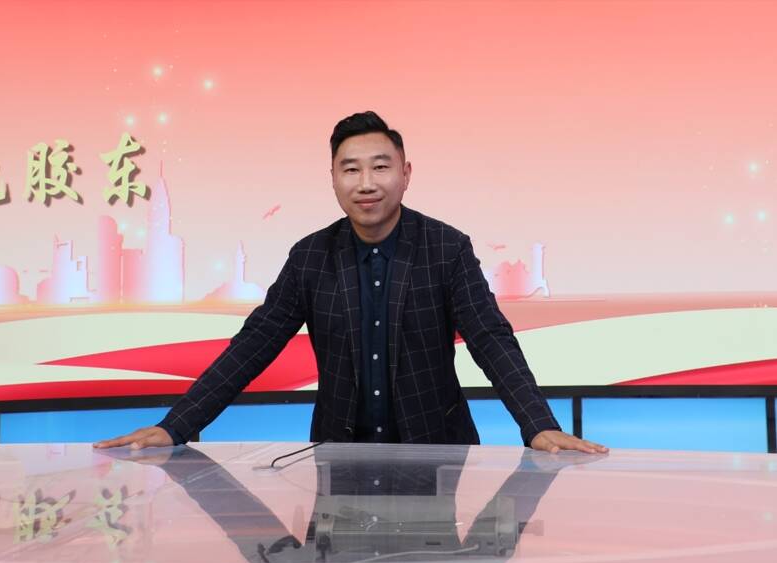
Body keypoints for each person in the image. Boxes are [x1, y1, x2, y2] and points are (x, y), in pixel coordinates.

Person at [95, 111, 607, 455]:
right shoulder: (311, 256)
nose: (366, 183)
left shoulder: (446, 248)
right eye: (351, 169)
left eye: (380, 167)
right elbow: (255, 344)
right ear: (334, 178)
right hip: (338, 456)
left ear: (405, 173)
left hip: (438, 455)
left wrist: (538, 426)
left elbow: (491, 340)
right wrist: (176, 426)